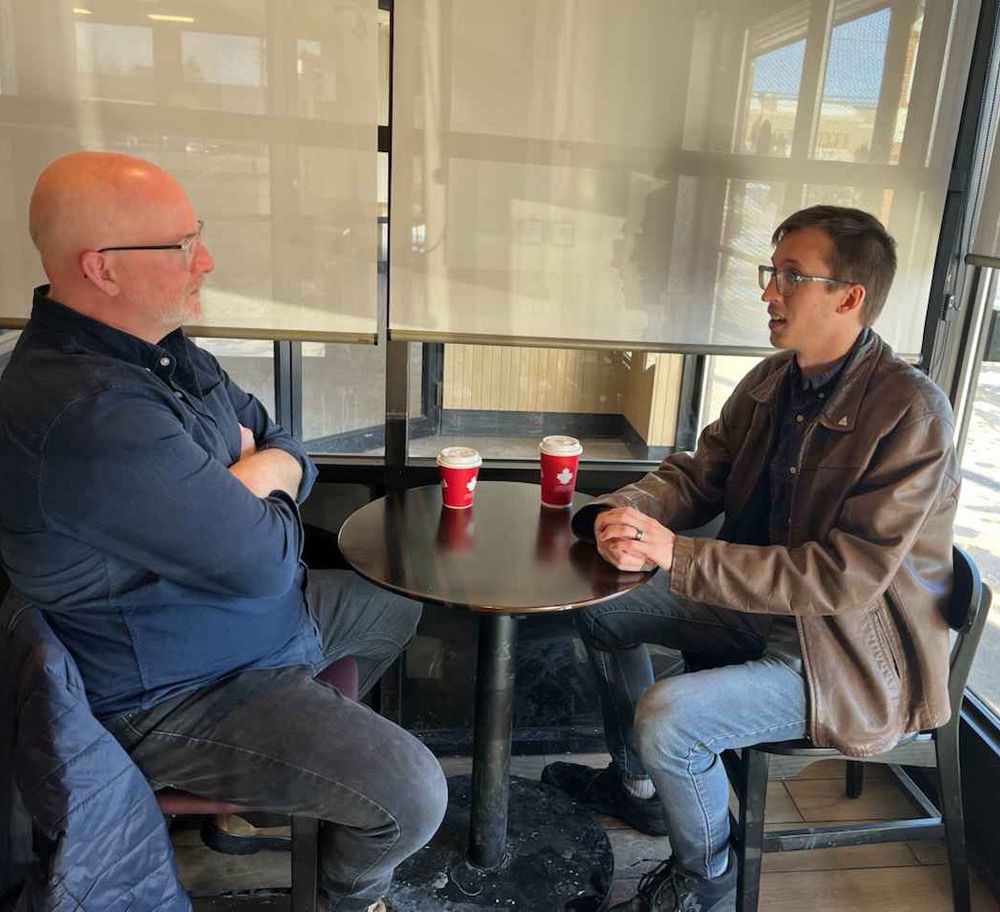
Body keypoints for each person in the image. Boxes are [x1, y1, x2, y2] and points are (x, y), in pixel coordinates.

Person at [0, 151, 447, 912]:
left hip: (254, 622)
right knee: (412, 795)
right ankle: (346, 893)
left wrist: (254, 474)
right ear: (102, 268)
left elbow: (288, 444)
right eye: (181, 246)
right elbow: (266, 560)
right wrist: (250, 478)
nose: (205, 260)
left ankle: (272, 791)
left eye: (197, 234)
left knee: (394, 605)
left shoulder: (161, 350)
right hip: (180, 688)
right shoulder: (88, 412)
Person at [542, 206, 959, 912]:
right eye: (771, 272)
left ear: (849, 297)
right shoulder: (772, 382)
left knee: (670, 717)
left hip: (846, 653)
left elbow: (844, 577)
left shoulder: (911, 414)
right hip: (758, 608)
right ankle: (639, 786)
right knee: (601, 604)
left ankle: (704, 880)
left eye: (791, 276)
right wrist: (623, 514)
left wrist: (678, 554)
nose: (768, 291)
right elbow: (697, 474)